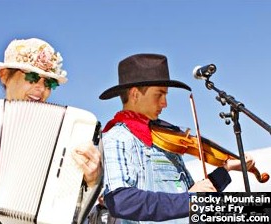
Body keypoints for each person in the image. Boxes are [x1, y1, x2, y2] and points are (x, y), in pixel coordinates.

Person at [98, 53, 255, 223]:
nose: (165, 103)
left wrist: (226, 169)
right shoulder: (117, 138)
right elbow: (122, 201)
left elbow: (194, 197)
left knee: (256, 210)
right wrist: (190, 199)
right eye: (159, 94)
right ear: (135, 94)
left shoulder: (166, 138)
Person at [0, 38, 102, 220]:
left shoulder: (67, 136)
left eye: (49, 83)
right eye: (32, 77)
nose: (41, 88)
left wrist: (91, 181)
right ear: (4, 75)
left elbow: (74, 214)